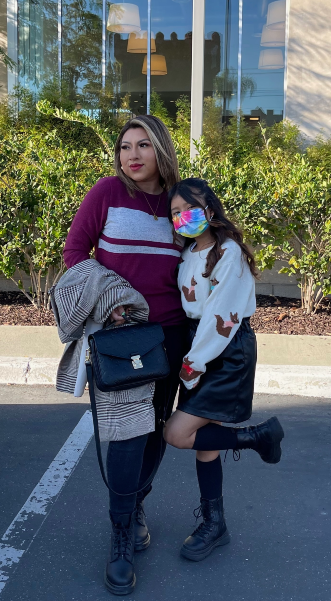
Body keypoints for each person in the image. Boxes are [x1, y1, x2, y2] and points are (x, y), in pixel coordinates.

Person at [63, 115, 188, 595]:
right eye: (124, 147)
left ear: (161, 151)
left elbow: (203, 253)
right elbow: (77, 254)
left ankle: (136, 505)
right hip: (120, 337)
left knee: (156, 427)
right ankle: (120, 535)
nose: (131, 156)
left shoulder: (179, 201)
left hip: (172, 335)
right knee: (126, 434)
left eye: (143, 146)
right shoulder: (106, 193)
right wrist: (108, 301)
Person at [163, 177, 284, 562]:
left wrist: (193, 364)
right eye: (175, 213)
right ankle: (215, 524)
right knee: (207, 443)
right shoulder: (186, 255)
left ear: (210, 211)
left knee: (178, 434)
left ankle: (257, 437)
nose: (182, 218)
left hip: (223, 350)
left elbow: (222, 316)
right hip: (200, 345)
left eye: (189, 209)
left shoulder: (228, 252)